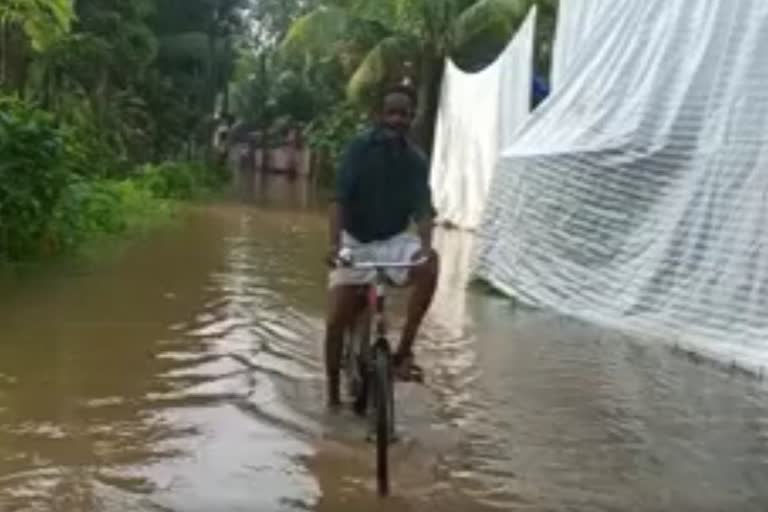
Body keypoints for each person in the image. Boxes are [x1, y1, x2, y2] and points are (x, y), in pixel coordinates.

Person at [324, 84, 439, 409]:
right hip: (355, 240)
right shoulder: (358, 149)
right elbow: (338, 200)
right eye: (392, 112)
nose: (398, 119)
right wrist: (334, 246)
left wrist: (426, 248)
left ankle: (404, 352)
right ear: (379, 116)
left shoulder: (416, 160)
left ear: (412, 119)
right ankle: (332, 394)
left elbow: (423, 210)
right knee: (335, 322)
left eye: (405, 114)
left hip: (392, 241)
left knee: (431, 265)